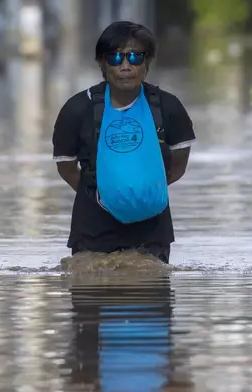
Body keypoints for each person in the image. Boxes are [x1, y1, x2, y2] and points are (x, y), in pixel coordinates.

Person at [52, 21, 196, 264]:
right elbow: (66, 167)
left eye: (135, 57)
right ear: (102, 63)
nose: (126, 66)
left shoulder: (168, 107)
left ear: (147, 63)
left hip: (151, 230)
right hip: (93, 229)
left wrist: (140, 191)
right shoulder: (77, 109)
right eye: (116, 58)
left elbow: (178, 166)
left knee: (149, 292)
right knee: (90, 290)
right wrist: (108, 193)